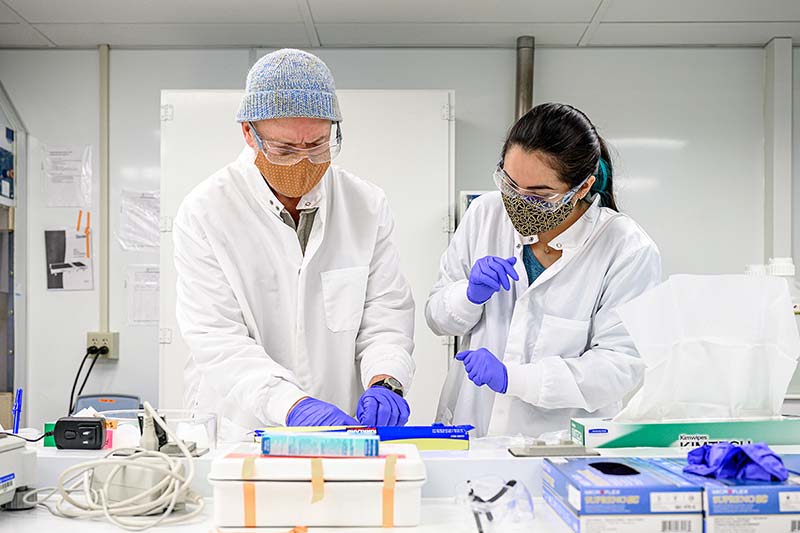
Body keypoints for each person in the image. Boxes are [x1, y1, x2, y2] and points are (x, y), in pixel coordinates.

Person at [174, 49, 415, 438]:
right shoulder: (206, 212)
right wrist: (292, 405)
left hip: (343, 426)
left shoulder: (366, 205)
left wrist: (385, 378)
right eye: (285, 149)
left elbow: (385, 312)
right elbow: (217, 338)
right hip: (243, 427)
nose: (303, 162)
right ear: (248, 134)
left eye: (317, 145)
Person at [426, 103, 661, 437]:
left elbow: (619, 367)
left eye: (540, 194)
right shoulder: (484, 214)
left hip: (560, 443)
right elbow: (437, 318)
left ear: (582, 188)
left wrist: (514, 379)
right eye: (509, 184)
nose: (519, 201)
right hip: (472, 428)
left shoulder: (626, 248)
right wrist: (467, 295)